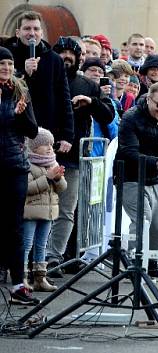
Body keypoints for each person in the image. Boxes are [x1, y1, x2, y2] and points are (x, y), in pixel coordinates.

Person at [46, 40, 114, 275]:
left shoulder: (86, 84)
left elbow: (108, 114)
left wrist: (91, 102)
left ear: (78, 58)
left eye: (70, 53)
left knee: (65, 211)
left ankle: (53, 258)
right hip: (39, 156)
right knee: (38, 210)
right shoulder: (41, 79)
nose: (66, 57)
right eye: (61, 52)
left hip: (74, 157)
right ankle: (34, 259)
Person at [116, 82, 158, 277]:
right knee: (142, 220)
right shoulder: (131, 117)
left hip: (153, 179)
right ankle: (135, 261)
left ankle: (152, 261)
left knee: (157, 225)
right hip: (129, 175)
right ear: (148, 99)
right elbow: (130, 152)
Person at [1, 11, 74, 157]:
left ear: (41, 32)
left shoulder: (54, 60)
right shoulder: (6, 56)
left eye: (36, 29)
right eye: (27, 29)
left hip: (46, 134)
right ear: (18, 32)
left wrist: (67, 134)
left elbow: (64, 98)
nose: (32, 33)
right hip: (14, 135)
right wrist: (23, 73)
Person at [0, 45, 40, 304]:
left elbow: (33, 130)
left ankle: (18, 285)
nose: (5, 68)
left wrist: (22, 114)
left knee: (13, 226)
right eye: (1, 64)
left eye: (9, 64)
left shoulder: (19, 91)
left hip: (14, 165)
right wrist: (9, 114)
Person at [23, 128, 65, 292]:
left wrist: (57, 178)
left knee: (42, 245)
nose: (49, 147)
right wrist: (47, 178)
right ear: (33, 147)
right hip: (30, 212)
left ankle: (40, 277)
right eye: (44, 144)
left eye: (51, 144)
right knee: (26, 245)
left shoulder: (52, 162)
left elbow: (62, 187)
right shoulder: (27, 163)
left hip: (48, 212)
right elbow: (26, 188)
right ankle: (22, 278)